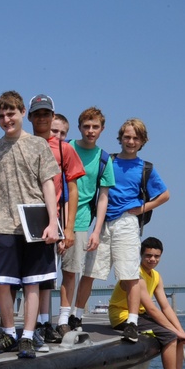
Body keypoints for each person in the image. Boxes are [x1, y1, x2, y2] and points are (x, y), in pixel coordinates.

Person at [0, 91, 60, 359]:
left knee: (32, 283)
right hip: (2, 224)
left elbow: (49, 184)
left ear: (22, 112)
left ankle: (27, 336)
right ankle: (9, 333)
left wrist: (52, 222)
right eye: (1, 115)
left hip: (34, 224)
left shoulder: (38, 144)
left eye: (10, 113)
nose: (6, 119)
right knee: (2, 282)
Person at [74, 118, 169, 342]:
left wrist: (143, 207)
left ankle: (132, 323)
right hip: (103, 222)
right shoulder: (108, 160)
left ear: (142, 141)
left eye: (136, 138)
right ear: (120, 138)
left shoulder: (145, 168)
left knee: (130, 276)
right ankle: (76, 317)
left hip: (127, 222)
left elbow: (165, 195)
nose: (131, 141)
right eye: (127, 136)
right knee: (89, 272)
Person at [108, 237, 185, 369]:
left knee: (178, 338)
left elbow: (165, 306)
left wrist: (182, 331)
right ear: (141, 255)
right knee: (170, 337)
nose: (152, 260)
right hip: (123, 316)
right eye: (148, 255)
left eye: (156, 256)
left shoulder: (156, 276)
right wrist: (175, 332)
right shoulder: (137, 274)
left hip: (141, 315)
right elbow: (152, 308)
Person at [27, 95, 84, 351]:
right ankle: (34, 324)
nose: (41, 118)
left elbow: (73, 190)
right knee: (29, 274)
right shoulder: (21, 143)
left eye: (46, 114)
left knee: (47, 274)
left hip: (52, 217)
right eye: (37, 114)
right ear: (30, 117)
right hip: (25, 215)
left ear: (52, 117)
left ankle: (44, 323)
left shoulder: (64, 148)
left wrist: (68, 228)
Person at [58, 107, 115, 336]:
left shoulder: (104, 159)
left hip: (81, 220)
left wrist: (96, 230)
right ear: (79, 127)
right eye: (86, 126)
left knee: (71, 271)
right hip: (55, 215)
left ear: (102, 129)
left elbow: (103, 197)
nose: (90, 131)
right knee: (43, 272)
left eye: (95, 127)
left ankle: (67, 318)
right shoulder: (66, 147)